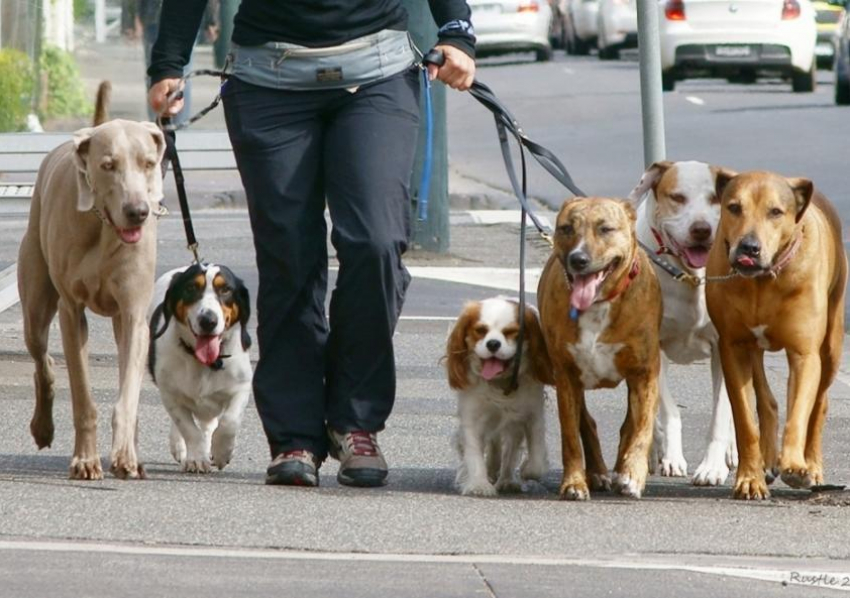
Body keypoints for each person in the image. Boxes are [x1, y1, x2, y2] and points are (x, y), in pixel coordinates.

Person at [148, 1, 475, 488]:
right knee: (289, 256)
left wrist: (456, 32)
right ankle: (294, 435)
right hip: (267, 81)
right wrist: (169, 62)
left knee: (375, 241)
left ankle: (354, 423)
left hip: (377, 75)